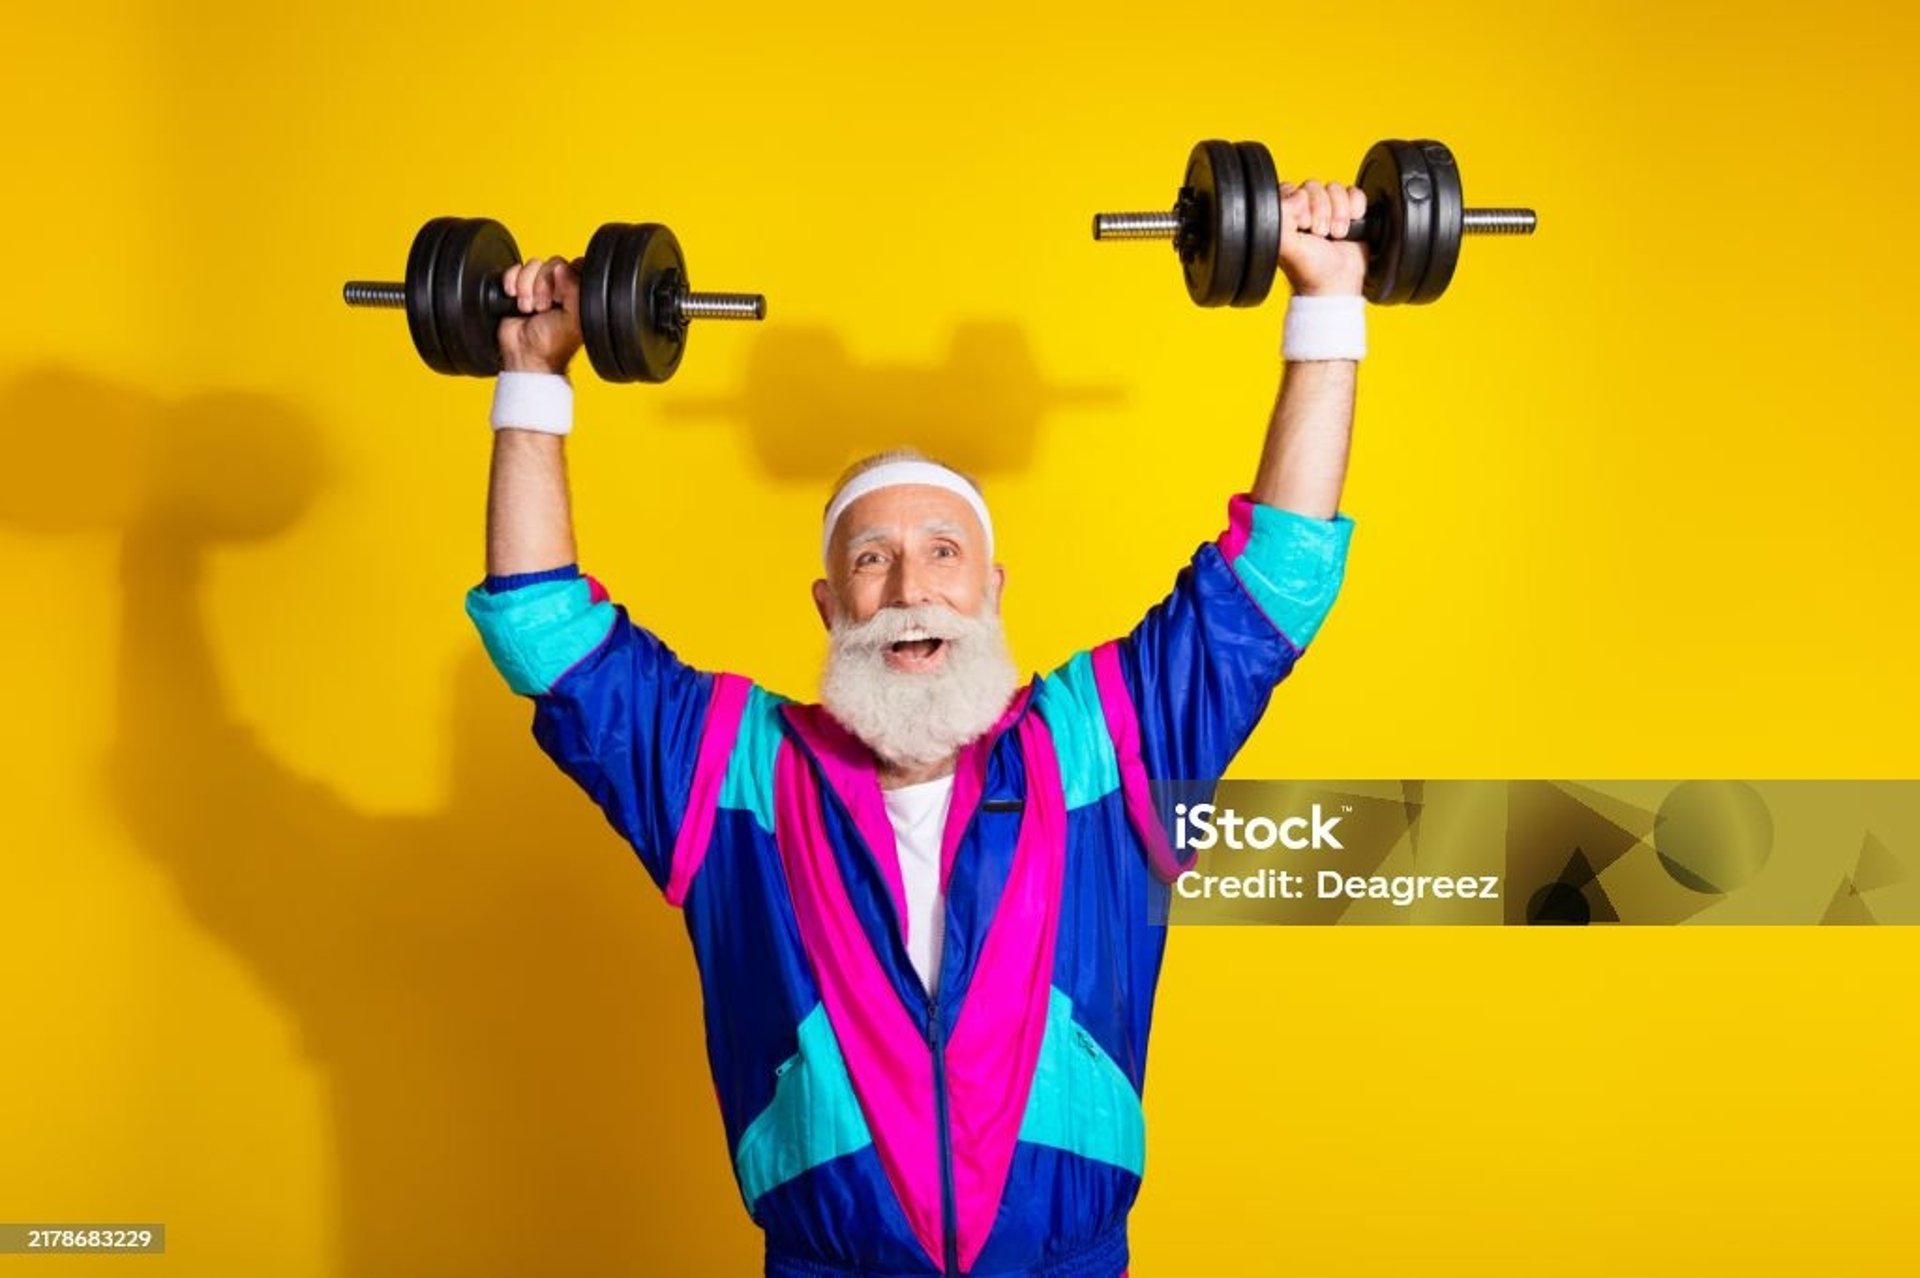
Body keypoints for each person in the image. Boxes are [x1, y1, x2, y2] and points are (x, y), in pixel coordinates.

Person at [465, 179, 1368, 1278]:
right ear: (830, 605)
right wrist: (532, 376)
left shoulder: (1103, 741)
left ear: (992, 588)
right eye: (871, 559)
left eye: (944, 552)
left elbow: (1277, 577)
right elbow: (543, 632)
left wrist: (1329, 300)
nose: (909, 588)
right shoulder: (733, 769)